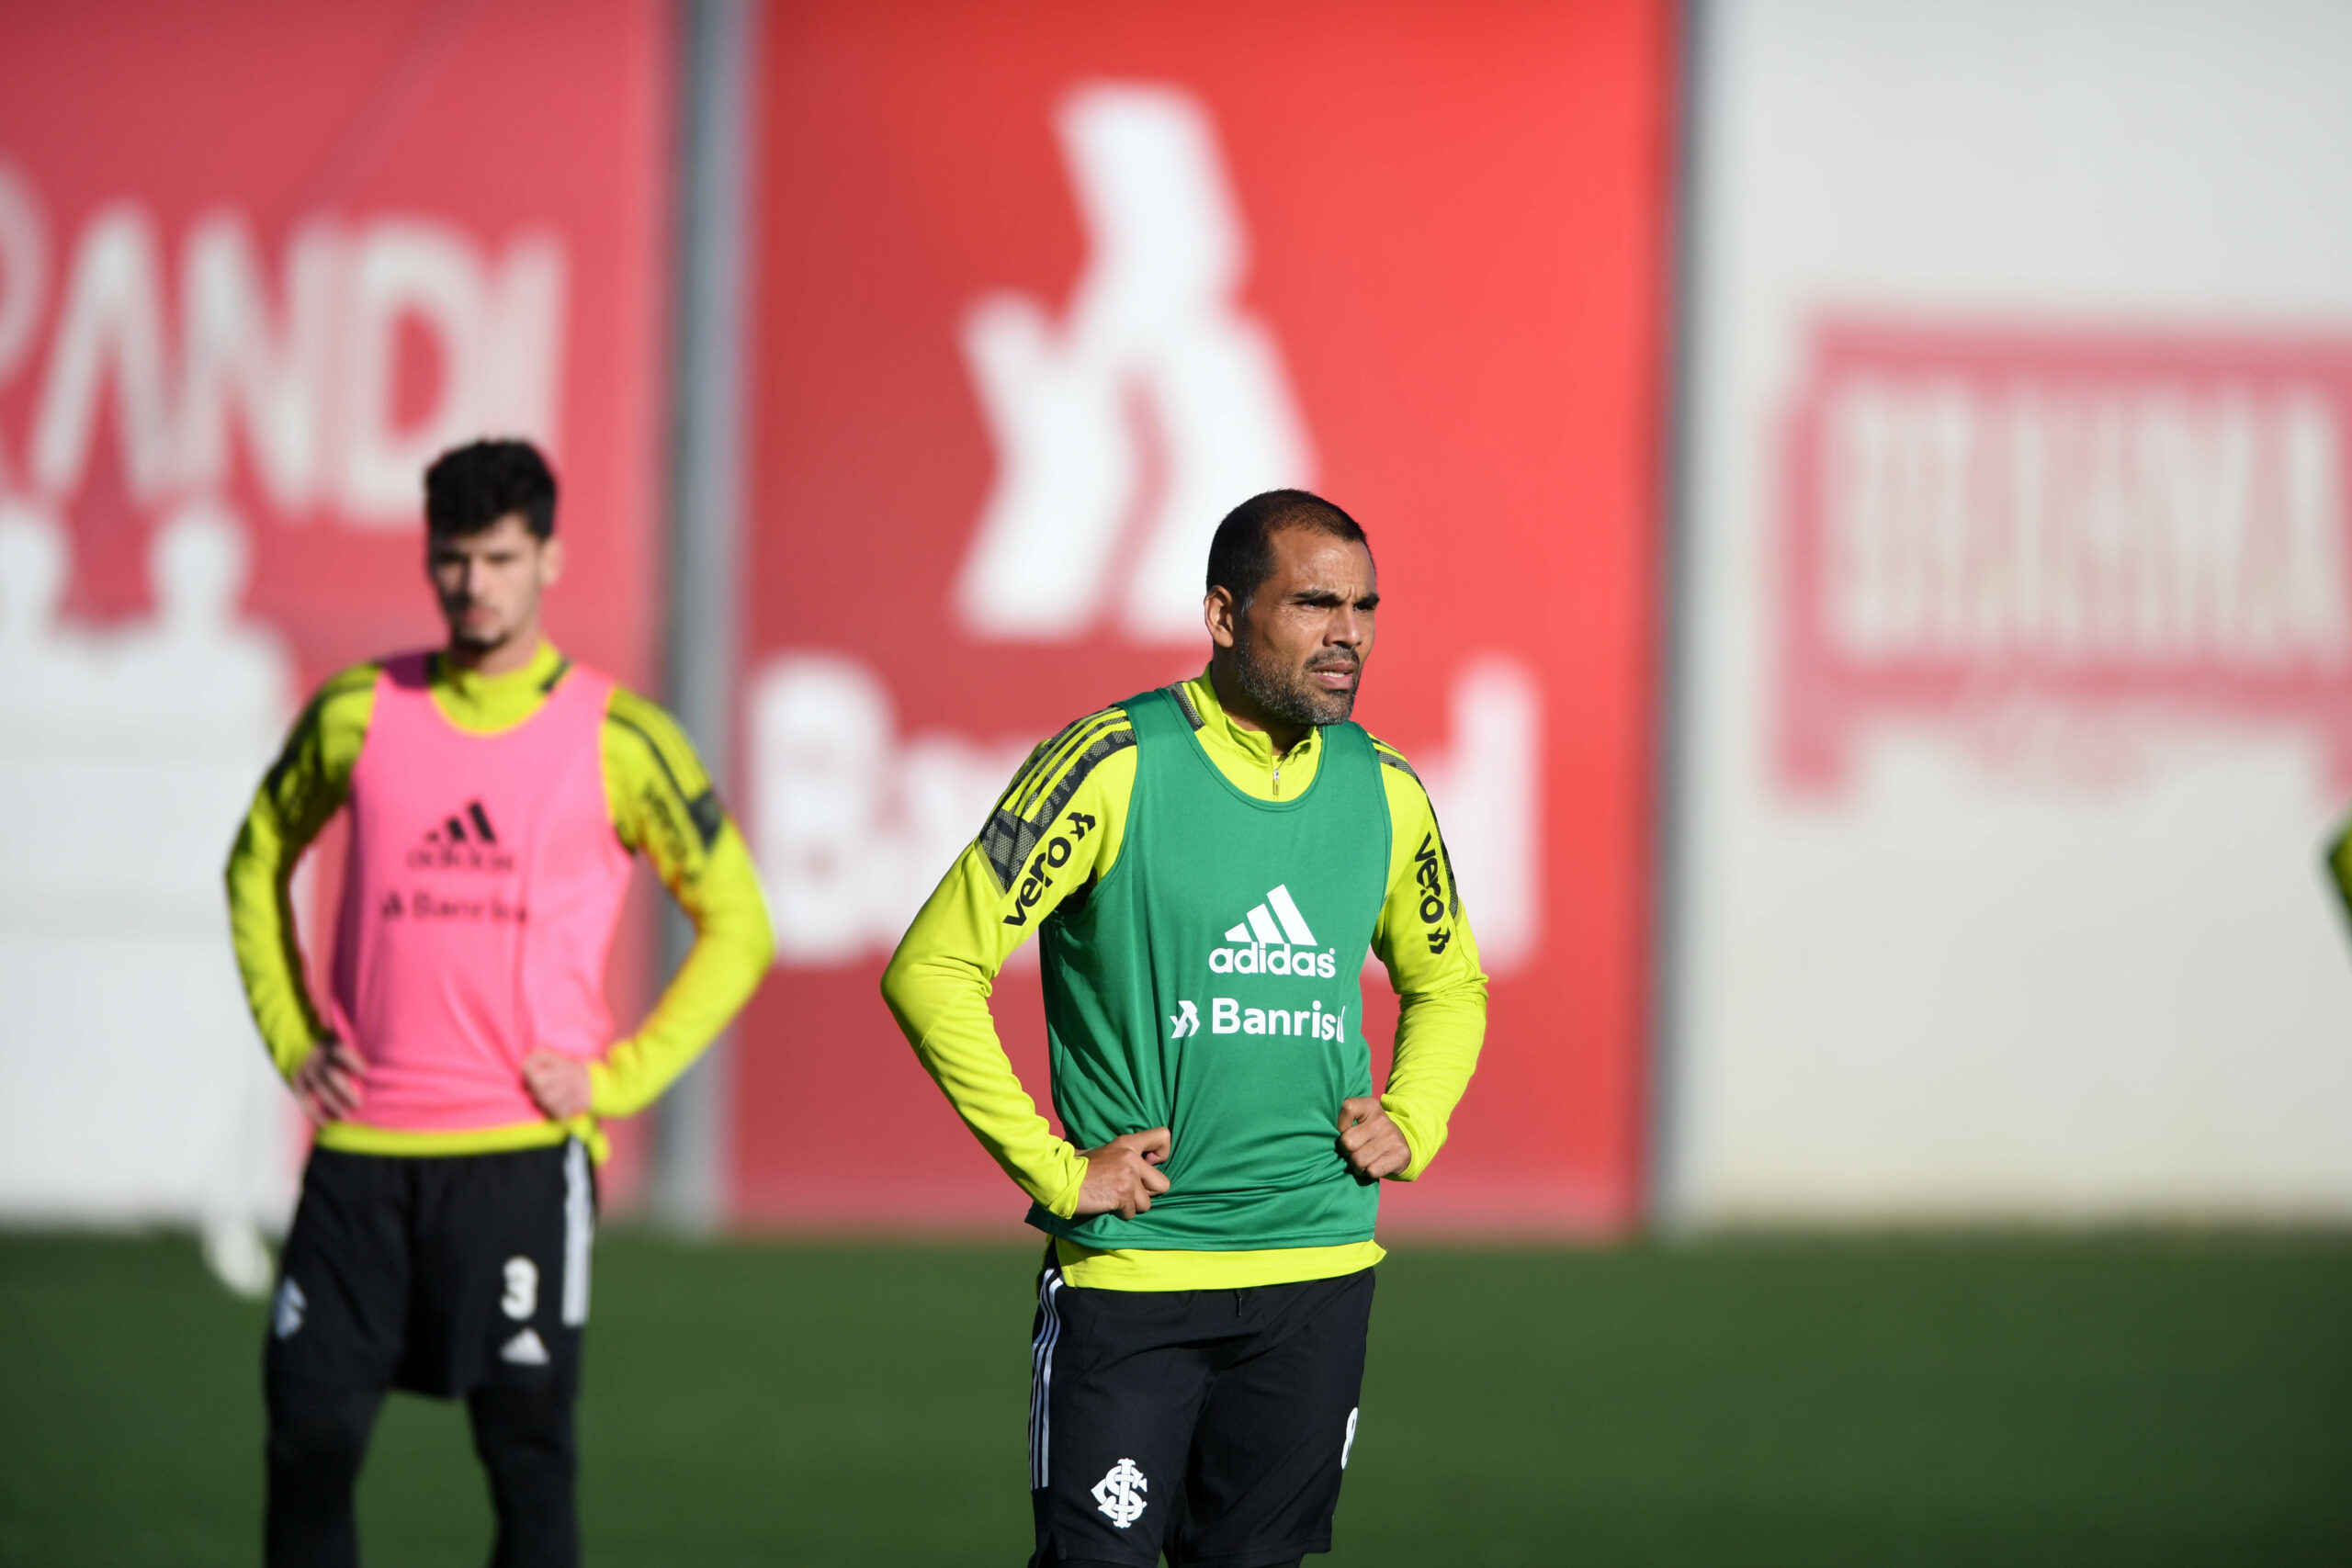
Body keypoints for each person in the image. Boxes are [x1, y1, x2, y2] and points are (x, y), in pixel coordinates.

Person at [882, 489, 1487, 1568]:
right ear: (1221, 616)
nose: (1347, 634)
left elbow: (1450, 985)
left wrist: (1415, 1116)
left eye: (1363, 606)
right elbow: (933, 967)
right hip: (1135, 1283)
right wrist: (1055, 1170)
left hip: (1316, 1277)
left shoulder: (1386, 790)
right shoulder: (1112, 764)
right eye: (1312, 603)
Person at [224, 439, 775, 1568]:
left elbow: (740, 924)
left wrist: (618, 1077)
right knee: (310, 1441)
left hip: (520, 1161)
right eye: (453, 558)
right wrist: (291, 1034)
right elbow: (254, 860)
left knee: (528, 1462)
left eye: (498, 556)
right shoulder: (356, 713)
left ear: (548, 558)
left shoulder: (621, 740)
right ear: (428, 560)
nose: (473, 582)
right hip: (360, 1157)